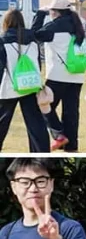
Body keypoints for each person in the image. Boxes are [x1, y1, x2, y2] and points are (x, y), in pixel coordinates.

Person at [28, 0, 86, 152]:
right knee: (71, 112)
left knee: (42, 104)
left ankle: (58, 134)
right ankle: (71, 147)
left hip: (57, 75)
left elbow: (34, 35)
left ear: (54, 12)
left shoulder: (53, 27)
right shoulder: (78, 25)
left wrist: (40, 14)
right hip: (77, 75)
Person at [0, 9, 49, 152]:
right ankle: (41, 151)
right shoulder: (32, 39)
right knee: (36, 123)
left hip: (9, 87)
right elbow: (37, 63)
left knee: (2, 122)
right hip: (30, 85)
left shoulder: (3, 41)